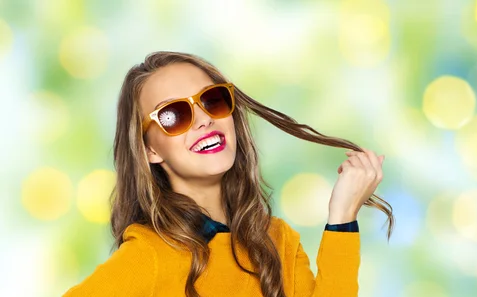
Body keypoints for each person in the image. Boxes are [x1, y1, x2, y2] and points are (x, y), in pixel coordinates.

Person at [62, 51, 394, 297]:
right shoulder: (150, 255)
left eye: (213, 100)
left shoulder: (278, 241)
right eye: (174, 115)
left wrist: (342, 217)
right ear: (150, 150)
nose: (204, 119)